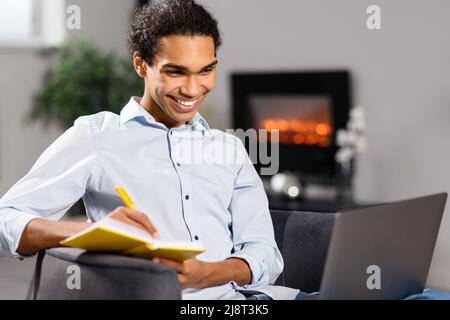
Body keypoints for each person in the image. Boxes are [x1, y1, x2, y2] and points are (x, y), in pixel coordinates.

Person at [0, 0, 448, 300]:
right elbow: (7, 220)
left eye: (206, 70)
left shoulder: (229, 150)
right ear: (142, 64)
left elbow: (266, 256)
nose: (194, 89)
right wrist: (81, 232)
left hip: (256, 301)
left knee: (429, 295)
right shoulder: (98, 137)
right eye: (176, 72)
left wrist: (211, 273)